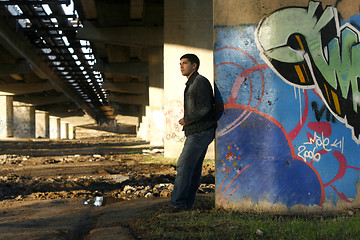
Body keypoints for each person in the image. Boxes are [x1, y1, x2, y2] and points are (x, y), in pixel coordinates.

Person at [170, 53, 217, 211]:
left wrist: (188, 120)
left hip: (200, 131)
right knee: (193, 169)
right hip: (197, 131)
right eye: (180, 63)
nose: (181, 66)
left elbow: (206, 107)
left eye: (185, 63)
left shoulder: (199, 82)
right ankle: (186, 205)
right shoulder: (192, 83)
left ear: (194, 65)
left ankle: (178, 204)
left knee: (183, 166)